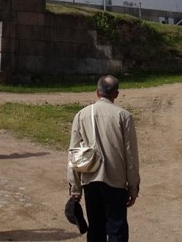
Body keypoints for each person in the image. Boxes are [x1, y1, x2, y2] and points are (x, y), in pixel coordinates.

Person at [67, 75, 140, 242]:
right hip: (116, 181)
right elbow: (131, 155)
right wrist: (133, 187)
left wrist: (75, 189)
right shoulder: (124, 116)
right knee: (117, 228)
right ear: (116, 94)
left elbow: (74, 154)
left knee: (95, 228)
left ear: (97, 93)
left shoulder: (81, 115)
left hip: (90, 180)